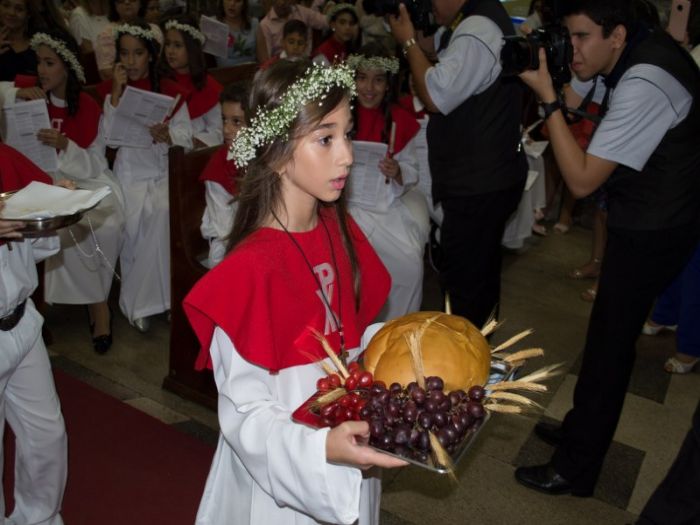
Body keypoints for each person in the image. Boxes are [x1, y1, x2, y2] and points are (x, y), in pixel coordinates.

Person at [183, 59, 406, 524]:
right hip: (285, 473)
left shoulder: (336, 228)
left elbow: (348, 336)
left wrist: (404, 354)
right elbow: (247, 417)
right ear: (277, 152)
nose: (347, 155)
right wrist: (320, 448)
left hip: (347, 434)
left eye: (347, 134)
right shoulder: (247, 271)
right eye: (325, 138)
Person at [514, 0, 700, 496]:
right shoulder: (629, 50)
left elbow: (579, 180)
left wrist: (548, 98)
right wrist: (559, 69)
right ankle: (580, 430)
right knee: (603, 337)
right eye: (568, 36)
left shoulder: (645, 80)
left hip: (658, 226)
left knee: (610, 348)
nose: (573, 47)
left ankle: (577, 468)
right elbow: (576, 96)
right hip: (649, 212)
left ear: (615, 35)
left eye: (581, 37)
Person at [389, 0, 528, 328]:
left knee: (465, 287)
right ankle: (478, 345)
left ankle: (465, 350)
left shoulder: (477, 29)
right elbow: (453, 68)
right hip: (488, 177)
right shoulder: (479, 19)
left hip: (478, 184)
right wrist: (424, 43)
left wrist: (408, 42)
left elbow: (435, 96)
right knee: (479, 277)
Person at [21, 29, 124, 354]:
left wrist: (66, 146)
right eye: (39, 62)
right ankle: (91, 307)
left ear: (66, 67)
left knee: (104, 222)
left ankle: (97, 305)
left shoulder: (88, 106)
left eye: (49, 63)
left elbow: (96, 163)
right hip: (41, 180)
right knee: (65, 224)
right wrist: (16, 94)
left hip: (85, 177)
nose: (41, 70)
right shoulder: (29, 98)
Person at [99, 20, 192, 333]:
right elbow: (109, 140)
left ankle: (160, 299)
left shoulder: (170, 91)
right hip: (129, 171)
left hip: (162, 168)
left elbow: (186, 137)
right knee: (134, 222)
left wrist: (168, 135)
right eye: (124, 54)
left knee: (162, 210)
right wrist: (115, 92)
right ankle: (141, 303)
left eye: (137, 53)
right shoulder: (114, 92)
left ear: (150, 55)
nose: (131, 61)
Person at [0, 143, 68, 525]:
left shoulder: (5, 156)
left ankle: (39, 519)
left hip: (22, 320)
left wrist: (57, 205)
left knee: (46, 435)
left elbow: (38, 241)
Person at [346, 46, 428, 320]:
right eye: (362, 78)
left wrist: (398, 171)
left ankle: (397, 329)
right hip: (343, 207)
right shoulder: (339, 114)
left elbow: (412, 169)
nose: (369, 88)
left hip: (382, 206)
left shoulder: (398, 119)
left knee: (409, 266)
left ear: (388, 84)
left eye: (378, 80)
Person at [199, 82, 247, 267]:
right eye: (224, 119)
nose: (226, 129)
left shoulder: (267, 155)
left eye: (236, 121)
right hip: (230, 249)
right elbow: (226, 230)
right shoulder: (219, 168)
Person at [161, 14, 223, 147]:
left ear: (191, 49)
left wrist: (194, 142)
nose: (170, 51)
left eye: (177, 45)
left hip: (196, 151)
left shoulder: (207, 85)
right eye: (167, 44)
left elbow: (217, 131)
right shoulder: (160, 81)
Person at [93, 0, 162, 79]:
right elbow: (106, 72)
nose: (127, 2)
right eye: (121, 0)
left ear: (141, 3)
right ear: (114, 4)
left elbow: (160, 63)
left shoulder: (154, 30)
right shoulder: (106, 34)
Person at [256, 0, 327, 62]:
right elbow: (266, 61)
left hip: (305, 61)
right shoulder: (265, 25)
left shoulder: (301, 12)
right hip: (281, 65)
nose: (282, 2)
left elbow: (327, 22)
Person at [214, 0, 259, 66]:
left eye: (237, 0)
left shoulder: (254, 24)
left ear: (244, 5)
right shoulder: (213, 24)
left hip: (251, 71)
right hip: (224, 71)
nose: (232, 4)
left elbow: (263, 59)